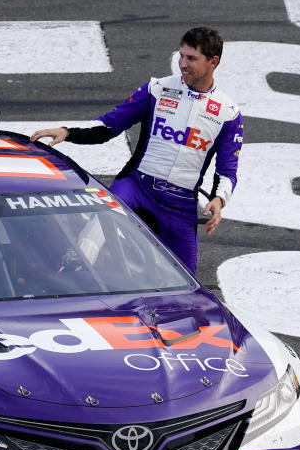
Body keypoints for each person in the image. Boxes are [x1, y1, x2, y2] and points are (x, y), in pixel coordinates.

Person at [31, 26, 243, 275]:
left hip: (180, 203)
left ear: (213, 62)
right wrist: (68, 132)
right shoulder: (157, 90)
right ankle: (68, 275)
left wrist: (219, 200)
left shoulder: (228, 113)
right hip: (137, 187)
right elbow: (109, 125)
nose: (183, 64)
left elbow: (227, 171)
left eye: (191, 58)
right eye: (181, 56)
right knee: (102, 216)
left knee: (186, 281)